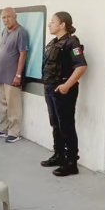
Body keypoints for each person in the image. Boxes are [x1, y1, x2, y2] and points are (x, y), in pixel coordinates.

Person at [41, 12, 88, 177]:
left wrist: (66, 85)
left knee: (66, 125)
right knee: (55, 124)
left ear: (63, 25)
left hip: (63, 90)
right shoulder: (53, 42)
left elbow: (81, 66)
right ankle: (59, 155)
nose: (49, 24)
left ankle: (71, 162)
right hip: (50, 88)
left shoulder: (72, 43)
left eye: (53, 22)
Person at [0, 7, 29, 143]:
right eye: (4, 18)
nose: (6, 20)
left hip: (12, 76)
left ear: (15, 16)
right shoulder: (4, 31)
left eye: (8, 17)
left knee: (13, 106)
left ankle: (15, 132)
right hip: (1, 74)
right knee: (2, 104)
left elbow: (23, 54)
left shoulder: (21, 32)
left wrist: (18, 75)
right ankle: (3, 129)